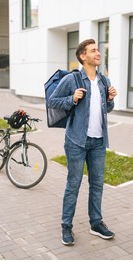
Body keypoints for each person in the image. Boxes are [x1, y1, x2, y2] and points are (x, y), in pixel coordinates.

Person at [49, 39, 117, 245]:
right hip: (76, 141)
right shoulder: (73, 79)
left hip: (98, 142)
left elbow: (107, 109)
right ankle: (66, 226)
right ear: (82, 56)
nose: (98, 53)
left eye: (98, 50)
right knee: (74, 184)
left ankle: (96, 223)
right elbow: (52, 101)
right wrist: (72, 98)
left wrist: (110, 99)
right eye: (93, 50)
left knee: (97, 184)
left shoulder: (104, 81)